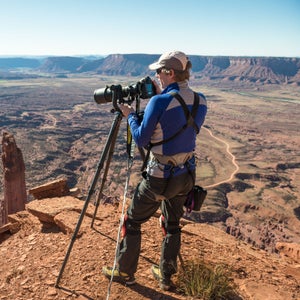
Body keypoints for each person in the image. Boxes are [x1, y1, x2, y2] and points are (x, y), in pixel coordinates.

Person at [102, 50, 207, 291]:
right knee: (171, 224)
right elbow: (181, 123)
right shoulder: (201, 100)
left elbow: (140, 139)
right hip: (186, 176)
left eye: (159, 71)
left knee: (132, 220)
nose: (156, 75)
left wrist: (129, 115)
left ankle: (125, 272)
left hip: (159, 178)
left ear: (170, 72)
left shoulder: (159, 102)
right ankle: (165, 276)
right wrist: (163, 95)